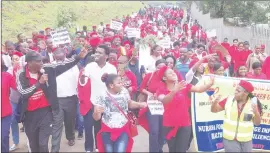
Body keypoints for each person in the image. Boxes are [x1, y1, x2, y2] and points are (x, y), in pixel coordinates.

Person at [16, 49, 88, 152]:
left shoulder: (46, 69)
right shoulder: (21, 74)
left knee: (43, 144)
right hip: (29, 115)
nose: (42, 63)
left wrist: (78, 57)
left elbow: (63, 65)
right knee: (34, 145)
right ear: (30, 63)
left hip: (46, 112)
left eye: (41, 60)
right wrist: (38, 83)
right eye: (38, 61)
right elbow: (23, 93)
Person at [156, 66, 215, 152]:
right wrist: (174, 90)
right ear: (164, 78)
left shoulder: (184, 85)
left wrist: (210, 83)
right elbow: (164, 100)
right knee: (173, 150)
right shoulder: (161, 89)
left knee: (181, 150)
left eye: (173, 71)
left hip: (185, 124)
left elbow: (198, 89)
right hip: (169, 125)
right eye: (170, 73)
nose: (173, 73)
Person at [93, 73, 147, 152]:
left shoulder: (124, 91)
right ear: (111, 85)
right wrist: (96, 113)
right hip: (107, 130)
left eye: (121, 82)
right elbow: (96, 118)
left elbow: (129, 103)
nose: (122, 84)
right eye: (119, 83)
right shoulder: (101, 95)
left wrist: (140, 105)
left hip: (123, 129)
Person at [79, 44, 117, 152]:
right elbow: (83, 82)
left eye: (100, 53)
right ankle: (93, 148)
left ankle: (102, 148)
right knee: (92, 127)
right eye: (96, 52)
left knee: (104, 128)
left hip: (107, 103)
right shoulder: (90, 66)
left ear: (106, 56)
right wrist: (82, 77)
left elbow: (115, 86)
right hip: (93, 102)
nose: (97, 54)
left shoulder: (112, 68)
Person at [211, 80, 262, 152]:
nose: (235, 92)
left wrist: (256, 112)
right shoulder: (229, 100)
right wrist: (215, 103)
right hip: (229, 139)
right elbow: (214, 110)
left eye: (238, 91)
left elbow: (257, 123)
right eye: (236, 90)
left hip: (246, 140)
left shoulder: (253, 103)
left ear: (246, 93)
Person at [50, 48, 80, 152]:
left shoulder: (72, 65)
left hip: (71, 98)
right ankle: (55, 148)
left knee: (70, 121)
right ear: (53, 55)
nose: (58, 56)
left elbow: (77, 80)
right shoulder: (51, 66)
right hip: (57, 99)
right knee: (57, 124)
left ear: (65, 54)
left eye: (60, 54)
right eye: (56, 55)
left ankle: (70, 137)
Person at [138, 59, 167, 153]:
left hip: (165, 106)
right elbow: (141, 88)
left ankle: (159, 148)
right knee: (154, 130)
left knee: (163, 130)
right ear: (155, 67)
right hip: (152, 106)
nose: (160, 69)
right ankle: (154, 150)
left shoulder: (168, 77)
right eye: (159, 67)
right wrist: (149, 93)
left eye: (163, 67)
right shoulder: (149, 76)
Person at [2, 61, 16, 153]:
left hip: (5, 112)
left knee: (3, 136)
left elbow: (18, 87)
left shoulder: (6, 76)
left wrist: (18, 72)